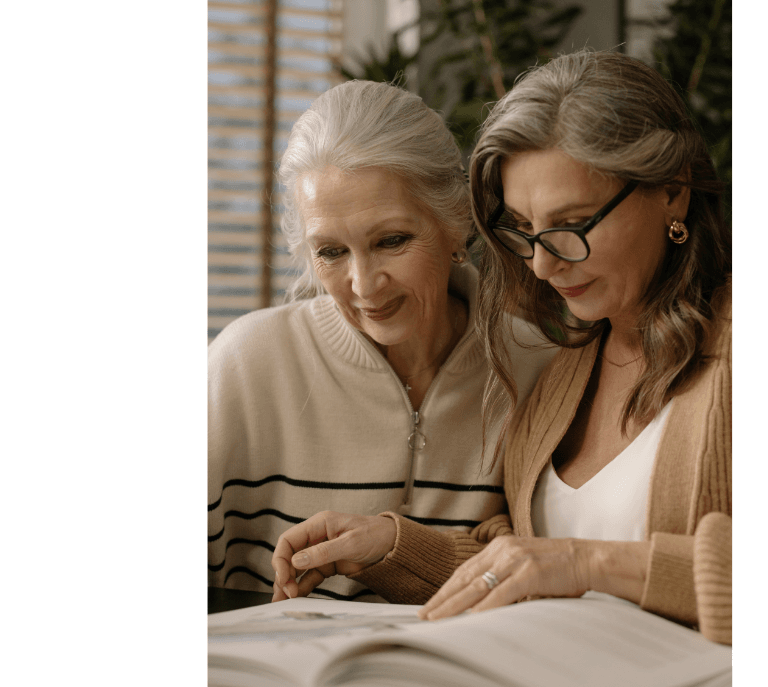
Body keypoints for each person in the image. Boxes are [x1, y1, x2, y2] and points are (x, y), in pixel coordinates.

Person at [273, 51, 731, 645]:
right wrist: (395, 545)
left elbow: (567, 561)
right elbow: (528, 560)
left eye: (575, 223)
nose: (541, 264)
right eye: (524, 229)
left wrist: (591, 563)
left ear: (672, 192)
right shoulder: (566, 369)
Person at [209, 80, 555, 600]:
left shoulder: (539, 369)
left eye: (391, 241)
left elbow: (552, 572)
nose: (365, 285)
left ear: (455, 220)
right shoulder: (245, 364)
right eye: (331, 252)